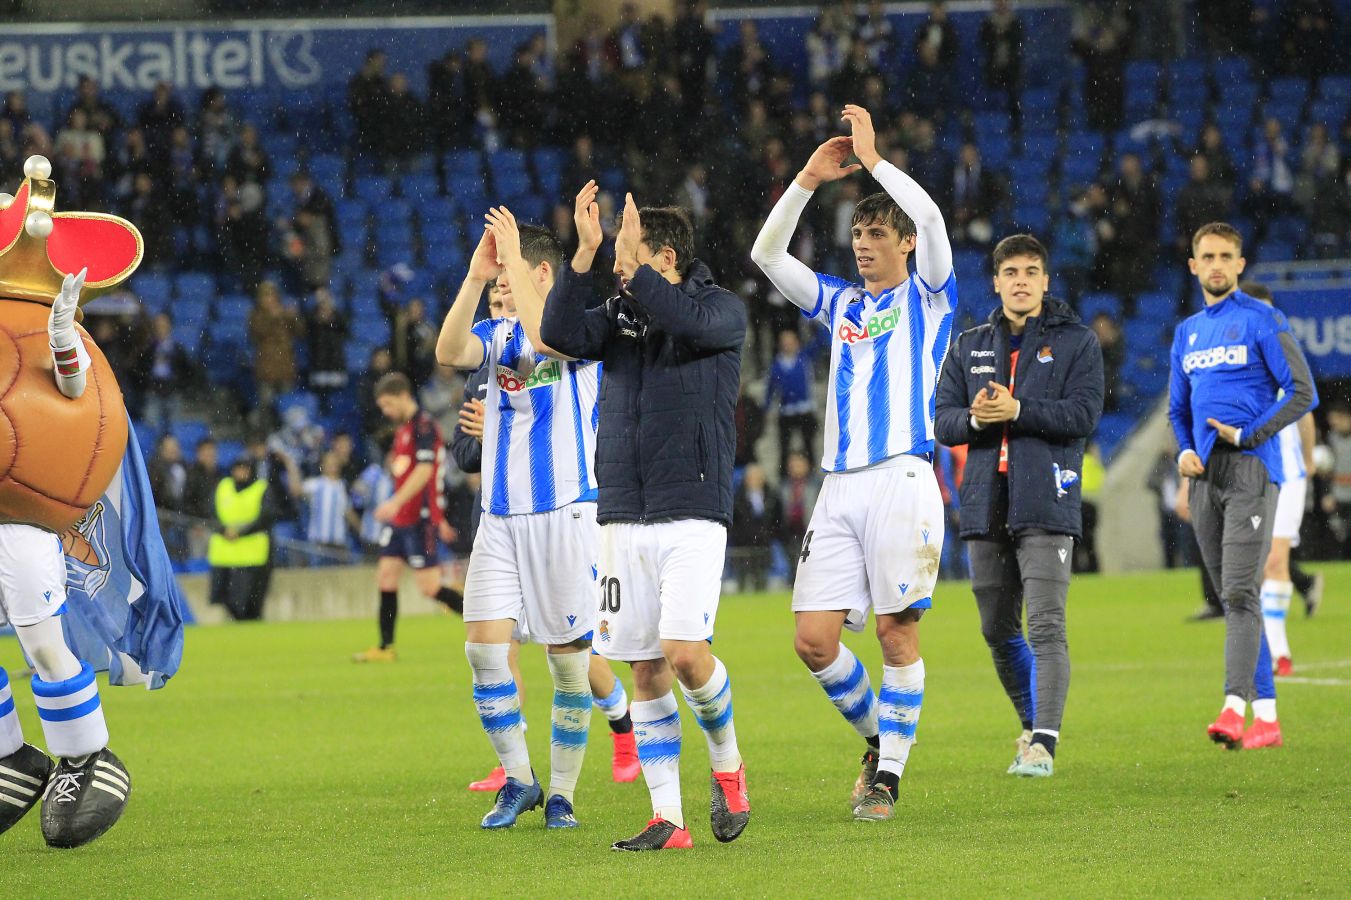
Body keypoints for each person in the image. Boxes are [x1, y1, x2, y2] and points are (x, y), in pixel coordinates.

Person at [750, 106, 955, 821]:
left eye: (875, 235)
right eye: (857, 234)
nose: (862, 245)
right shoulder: (838, 302)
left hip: (901, 472)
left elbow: (929, 220)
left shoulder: (929, 297)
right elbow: (767, 258)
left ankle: (890, 779)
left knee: (898, 633)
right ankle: (878, 738)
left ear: (901, 243)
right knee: (811, 641)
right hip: (838, 487)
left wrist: (875, 162)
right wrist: (806, 179)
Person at [540, 182, 750, 851]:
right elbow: (558, 334)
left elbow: (683, 320)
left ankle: (728, 765)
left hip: (691, 505)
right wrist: (586, 255)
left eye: (634, 261)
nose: (621, 276)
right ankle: (669, 818)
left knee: (685, 654)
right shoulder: (621, 310)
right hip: (622, 510)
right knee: (644, 667)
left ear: (668, 260)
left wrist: (629, 270)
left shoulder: (720, 311)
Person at [435, 213, 603, 831]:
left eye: (509, 275)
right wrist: (477, 276)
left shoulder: (581, 326)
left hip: (564, 511)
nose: (502, 286)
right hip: (499, 517)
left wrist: (512, 263)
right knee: (484, 652)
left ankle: (562, 792)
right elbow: (450, 352)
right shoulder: (498, 333)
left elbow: (549, 336)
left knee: (567, 662)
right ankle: (520, 780)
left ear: (541, 274)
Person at [448, 276, 640, 796]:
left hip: (562, 514)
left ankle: (622, 730)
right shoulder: (486, 361)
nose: (502, 303)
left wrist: (509, 423)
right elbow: (464, 454)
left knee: (578, 655)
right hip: (498, 516)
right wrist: (490, 428)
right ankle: (514, 765)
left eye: (508, 292)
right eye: (494, 298)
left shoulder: (575, 342)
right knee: (495, 648)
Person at [934, 234, 1104, 777]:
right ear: (997, 281)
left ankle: (1044, 746)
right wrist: (979, 420)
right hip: (987, 503)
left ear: (1046, 281)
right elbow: (942, 420)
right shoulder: (970, 344)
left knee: (1047, 626)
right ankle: (1032, 726)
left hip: (1047, 499)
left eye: (1032, 271)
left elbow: (1083, 416)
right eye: (1012, 272)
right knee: (996, 629)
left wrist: (1019, 409)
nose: (1022, 280)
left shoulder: (1077, 342)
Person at [1168, 222, 1316, 750]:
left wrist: (1252, 433)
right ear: (1193, 265)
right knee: (1238, 600)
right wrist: (1185, 449)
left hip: (1253, 468)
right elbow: (1178, 408)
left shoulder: (1262, 319)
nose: (1215, 264)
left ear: (1239, 265)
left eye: (1225, 256)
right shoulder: (1187, 333)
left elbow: (1303, 391)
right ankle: (1269, 719)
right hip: (1205, 475)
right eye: (1206, 256)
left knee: (1237, 591)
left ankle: (1234, 707)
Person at [0, 271, 133, 848]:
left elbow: (75, 390)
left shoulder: (24, 329)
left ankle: (83, 756)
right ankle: (11, 757)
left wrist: (60, 334)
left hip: (20, 517)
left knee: (42, 643)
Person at [1238, 282, 1321, 677]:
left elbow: (1304, 408)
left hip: (1287, 471)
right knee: (1249, 568)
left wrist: (1307, 454)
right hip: (1248, 470)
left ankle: (1279, 651)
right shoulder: (1236, 358)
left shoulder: (1287, 353)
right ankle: (1265, 646)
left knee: (1275, 560)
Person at [352, 373, 463, 662]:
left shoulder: (424, 427)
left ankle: (491, 621)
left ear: (403, 396)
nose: (385, 412)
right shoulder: (402, 430)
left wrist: (395, 502)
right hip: (400, 520)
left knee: (429, 588)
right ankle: (385, 648)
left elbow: (425, 472)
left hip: (418, 519)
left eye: (388, 404)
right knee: (386, 577)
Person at [208, 456, 279, 621]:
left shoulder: (261, 488)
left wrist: (241, 532)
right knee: (227, 600)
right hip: (225, 554)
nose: (241, 472)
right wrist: (224, 530)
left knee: (251, 602)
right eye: (238, 468)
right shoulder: (222, 487)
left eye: (245, 468)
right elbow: (210, 513)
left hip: (252, 554)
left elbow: (266, 516)